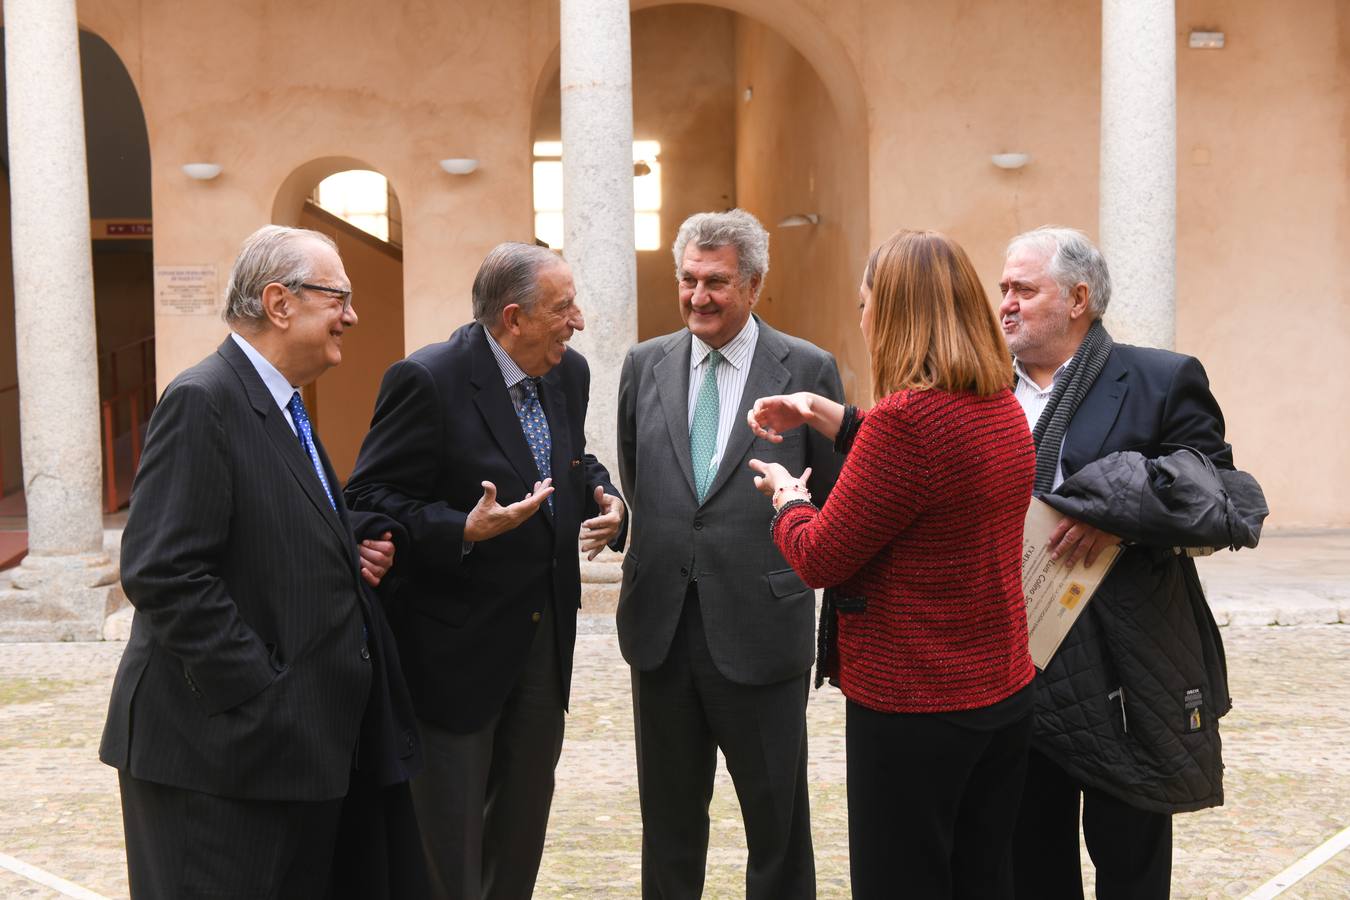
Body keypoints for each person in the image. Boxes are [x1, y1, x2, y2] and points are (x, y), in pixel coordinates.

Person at [99, 225, 422, 899]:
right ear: (280, 304)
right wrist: (263, 694)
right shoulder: (204, 399)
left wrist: (342, 545)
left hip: (286, 759)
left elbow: (261, 527)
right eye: (340, 297)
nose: (353, 316)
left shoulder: (284, 408)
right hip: (219, 760)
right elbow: (163, 571)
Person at [746, 229, 1036, 899]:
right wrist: (826, 414)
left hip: (916, 706)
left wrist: (788, 501)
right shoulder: (997, 403)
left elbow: (819, 556)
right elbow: (922, 465)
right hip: (1000, 692)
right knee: (981, 877)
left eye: (865, 301)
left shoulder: (908, 423)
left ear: (895, 313)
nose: (862, 315)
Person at [344, 241, 626, 900]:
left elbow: (569, 460)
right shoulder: (427, 380)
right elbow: (369, 500)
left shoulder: (568, 373)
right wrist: (460, 529)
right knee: (450, 851)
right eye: (564, 308)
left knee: (520, 836)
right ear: (514, 318)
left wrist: (607, 498)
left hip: (542, 644)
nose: (578, 320)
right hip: (453, 654)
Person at [997, 226, 1238, 899]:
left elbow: (1217, 495)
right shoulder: (980, 387)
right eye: (1004, 289)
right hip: (1017, 661)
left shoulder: (1160, 379)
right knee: (1027, 864)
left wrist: (1113, 505)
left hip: (1130, 669)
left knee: (1131, 868)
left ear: (1078, 299)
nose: (1006, 303)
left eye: (1024, 289)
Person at [616, 208, 844, 899]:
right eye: (688, 280)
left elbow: (833, 501)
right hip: (662, 629)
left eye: (716, 281)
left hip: (760, 629)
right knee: (669, 827)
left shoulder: (807, 368)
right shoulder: (643, 363)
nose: (698, 297)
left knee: (777, 828)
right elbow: (643, 480)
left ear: (754, 285)